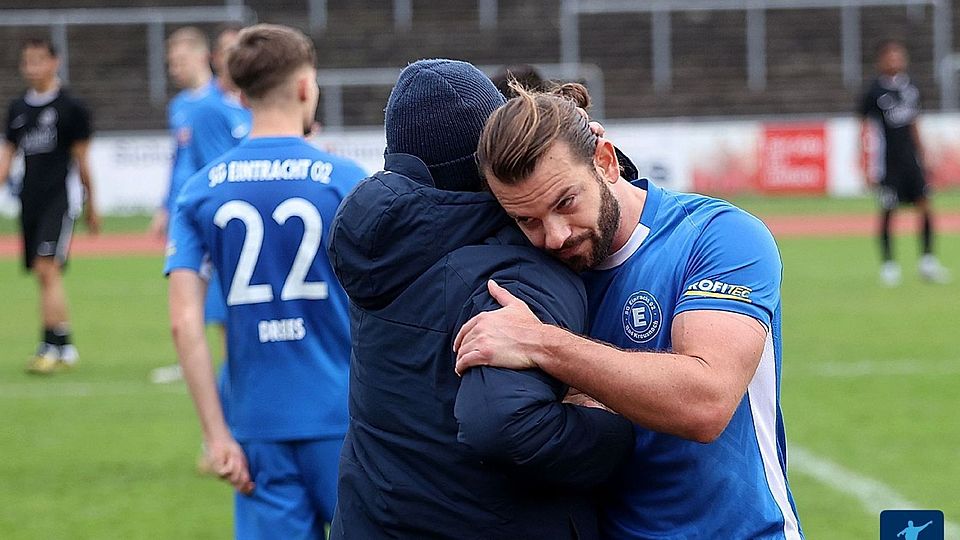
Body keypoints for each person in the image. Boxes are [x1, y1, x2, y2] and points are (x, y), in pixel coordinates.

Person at [455, 82, 803, 539]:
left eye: (565, 203)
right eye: (528, 220)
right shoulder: (531, 274)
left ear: (605, 161)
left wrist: (542, 345)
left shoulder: (718, 236)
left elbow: (705, 400)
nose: (555, 236)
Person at [327, 59, 634, 539]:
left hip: (372, 519)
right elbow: (502, 422)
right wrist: (612, 428)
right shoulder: (513, 266)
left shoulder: (379, 245)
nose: (551, 236)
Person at [165, 24, 366, 538]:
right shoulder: (346, 182)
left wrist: (216, 437)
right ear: (304, 87)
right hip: (347, 420)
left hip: (257, 425)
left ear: (240, 91)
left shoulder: (199, 191)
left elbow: (185, 324)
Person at [150, 25, 252, 384]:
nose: (173, 67)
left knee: (224, 296)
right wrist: (165, 205)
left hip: (217, 210)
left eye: (178, 59)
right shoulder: (180, 106)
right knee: (191, 292)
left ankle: (230, 369)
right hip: (188, 209)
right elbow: (179, 159)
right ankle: (198, 362)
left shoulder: (221, 105)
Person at [0, 38, 100, 374]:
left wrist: (91, 204)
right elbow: (7, 156)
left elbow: (83, 161)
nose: (33, 68)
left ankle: (51, 345)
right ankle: (62, 346)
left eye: (39, 61)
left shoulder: (71, 107)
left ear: (55, 62)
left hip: (61, 198)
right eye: (27, 61)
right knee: (41, 275)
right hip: (30, 200)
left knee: (47, 268)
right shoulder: (17, 109)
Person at [859, 39, 950, 286]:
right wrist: (864, 163)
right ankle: (889, 266)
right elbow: (865, 128)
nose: (895, 60)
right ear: (881, 60)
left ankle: (927, 262)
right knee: (889, 211)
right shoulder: (873, 92)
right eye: (890, 56)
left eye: (899, 56)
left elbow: (914, 122)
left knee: (925, 206)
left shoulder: (910, 87)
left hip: (911, 161)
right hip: (888, 163)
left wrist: (924, 155)